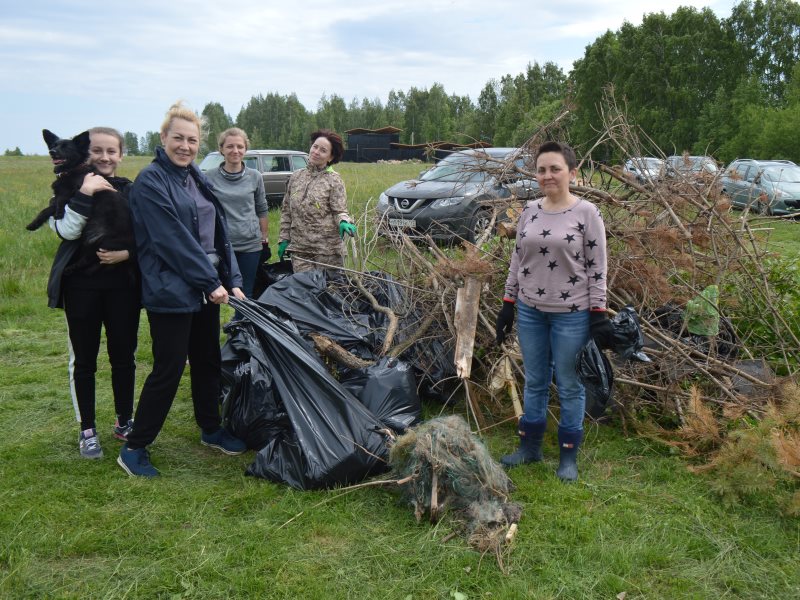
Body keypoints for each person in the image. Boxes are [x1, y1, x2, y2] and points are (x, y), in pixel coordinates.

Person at [118, 102, 246, 478]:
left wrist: (233, 281)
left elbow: (219, 232)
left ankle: (210, 428)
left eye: (192, 140)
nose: (185, 146)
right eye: (178, 138)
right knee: (169, 368)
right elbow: (171, 240)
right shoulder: (151, 181)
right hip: (172, 290)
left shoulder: (195, 176)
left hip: (206, 288)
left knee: (207, 360)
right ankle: (135, 447)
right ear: (163, 137)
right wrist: (210, 283)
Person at [495, 141, 613, 482]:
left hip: (571, 314)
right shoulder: (530, 210)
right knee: (534, 381)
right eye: (542, 169)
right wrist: (508, 304)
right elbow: (517, 259)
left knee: (570, 384)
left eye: (555, 169)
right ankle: (529, 448)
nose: (548, 175)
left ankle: (567, 457)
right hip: (531, 312)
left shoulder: (587, 213)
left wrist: (598, 312)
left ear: (572, 173)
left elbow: (597, 267)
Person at [47, 127, 140, 459]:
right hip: (81, 288)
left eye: (111, 151)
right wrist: (85, 192)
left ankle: (124, 421)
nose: (104, 157)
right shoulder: (71, 187)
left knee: (123, 357)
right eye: (97, 151)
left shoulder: (130, 191)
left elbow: (148, 234)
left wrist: (128, 254)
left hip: (123, 288)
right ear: (85, 154)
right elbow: (66, 230)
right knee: (84, 360)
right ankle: (87, 429)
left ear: (120, 155)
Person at [277, 129, 356, 273]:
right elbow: (287, 211)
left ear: (330, 157)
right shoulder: (296, 177)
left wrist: (345, 221)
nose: (316, 152)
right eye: (315, 146)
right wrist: (283, 239)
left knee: (330, 292)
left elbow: (339, 211)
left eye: (323, 150)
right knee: (304, 291)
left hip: (328, 252)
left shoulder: (334, 180)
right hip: (300, 251)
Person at [204, 127, 268, 301]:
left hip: (250, 245)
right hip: (220, 246)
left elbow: (261, 208)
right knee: (216, 293)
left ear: (245, 149)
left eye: (240, 146)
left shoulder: (255, 177)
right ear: (221, 149)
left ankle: (239, 328)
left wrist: (264, 236)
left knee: (245, 293)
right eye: (230, 146)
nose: (235, 150)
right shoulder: (208, 178)